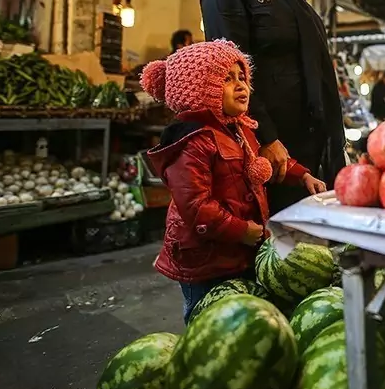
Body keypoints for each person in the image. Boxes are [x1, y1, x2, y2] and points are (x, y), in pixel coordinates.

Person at [140, 40, 326, 324]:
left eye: (242, 77)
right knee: (206, 317)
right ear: (200, 90)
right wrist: (240, 230)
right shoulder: (191, 143)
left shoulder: (240, 129)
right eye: (227, 79)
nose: (241, 86)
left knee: (236, 318)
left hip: (237, 251)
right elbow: (196, 207)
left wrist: (302, 175)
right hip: (205, 259)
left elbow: (262, 163)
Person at [200, 0, 345, 213]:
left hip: (308, 156)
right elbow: (230, 74)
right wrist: (265, 137)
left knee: (309, 255)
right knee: (269, 254)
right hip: (267, 157)